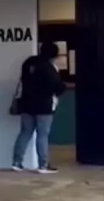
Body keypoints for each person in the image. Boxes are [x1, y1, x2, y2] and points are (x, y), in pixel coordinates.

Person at [12, 41, 66, 174]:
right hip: (43, 105)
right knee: (42, 135)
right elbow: (57, 87)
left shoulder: (28, 62)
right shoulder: (49, 67)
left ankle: (17, 162)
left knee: (25, 132)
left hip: (26, 103)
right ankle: (43, 165)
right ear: (53, 54)